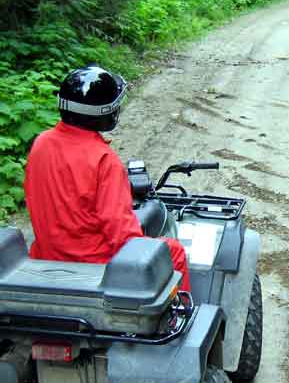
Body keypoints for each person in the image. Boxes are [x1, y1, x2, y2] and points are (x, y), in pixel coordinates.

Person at [24, 64, 191, 291]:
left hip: (46, 256)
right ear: (106, 113)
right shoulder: (103, 159)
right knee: (174, 250)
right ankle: (176, 317)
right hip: (93, 265)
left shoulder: (41, 143)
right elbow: (123, 238)